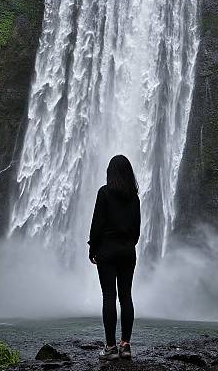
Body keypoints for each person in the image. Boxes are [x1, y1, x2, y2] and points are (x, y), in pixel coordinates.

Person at [88, 155, 141, 361]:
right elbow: (137, 228)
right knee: (126, 296)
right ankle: (125, 346)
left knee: (109, 296)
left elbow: (97, 223)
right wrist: (129, 244)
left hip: (107, 251)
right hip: (128, 250)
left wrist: (93, 248)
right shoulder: (134, 197)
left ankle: (110, 347)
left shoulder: (105, 192)